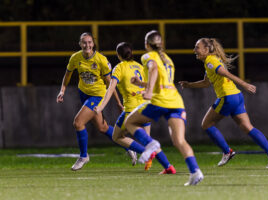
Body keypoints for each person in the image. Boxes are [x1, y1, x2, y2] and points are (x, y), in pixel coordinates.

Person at [179, 38, 268, 168]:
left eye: (197, 47)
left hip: (227, 97)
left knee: (206, 124)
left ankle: (227, 152)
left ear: (206, 49)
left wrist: (244, 84)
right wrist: (189, 85)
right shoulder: (211, 61)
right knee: (247, 127)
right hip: (237, 96)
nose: (194, 50)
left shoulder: (211, 61)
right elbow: (206, 82)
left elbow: (226, 73)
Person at [124, 30, 204, 186]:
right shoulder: (167, 59)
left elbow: (153, 70)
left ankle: (150, 144)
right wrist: (141, 84)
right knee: (179, 140)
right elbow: (162, 81)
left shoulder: (148, 56)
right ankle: (195, 172)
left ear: (147, 44)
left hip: (160, 101)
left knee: (130, 123)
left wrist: (147, 92)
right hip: (176, 102)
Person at [56, 32, 136, 171]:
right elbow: (67, 75)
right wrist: (62, 91)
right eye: (84, 42)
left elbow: (111, 84)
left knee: (78, 122)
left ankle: (83, 156)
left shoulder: (101, 60)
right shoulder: (75, 57)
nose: (87, 45)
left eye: (89, 42)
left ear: (93, 44)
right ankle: (128, 145)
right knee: (103, 127)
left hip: (98, 96)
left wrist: (118, 102)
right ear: (80, 44)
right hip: (84, 94)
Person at [94, 42, 176, 174]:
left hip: (131, 111)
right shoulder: (140, 66)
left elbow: (110, 89)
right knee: (149, 141)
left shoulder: (119, 68)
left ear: (118, 55)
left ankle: (146, 153)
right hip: (146, 108)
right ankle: (168, 167)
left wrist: (101, 106)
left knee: (117, 137)